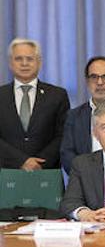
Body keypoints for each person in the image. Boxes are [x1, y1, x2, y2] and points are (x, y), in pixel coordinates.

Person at [0, 38, 70, 170]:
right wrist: (21, 161)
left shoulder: (57, 95)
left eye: (30, 59)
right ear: (10, 63)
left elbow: (63, 135)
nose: (24, 63)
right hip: (6, 173)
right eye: (19, 59)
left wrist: (39, 163)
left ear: (39, 63)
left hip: (46, 173)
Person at [61, 56, 105, 177]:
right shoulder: (74, 116)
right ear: (87, 82)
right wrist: (88, 178)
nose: (99, 82)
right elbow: (67, 154)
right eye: (94, 77)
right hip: (85, 185)